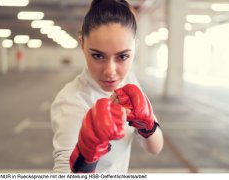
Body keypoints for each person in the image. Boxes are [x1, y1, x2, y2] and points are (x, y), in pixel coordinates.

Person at [51, 0, 164, 173]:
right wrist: (85, 159)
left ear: (135, 48)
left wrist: (148, 126)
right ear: (82, 45)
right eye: (98, 56)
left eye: (123, 57)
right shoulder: (71, 102)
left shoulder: (128, 79)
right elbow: (63, 170)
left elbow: (155, 148)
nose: (110, 71)